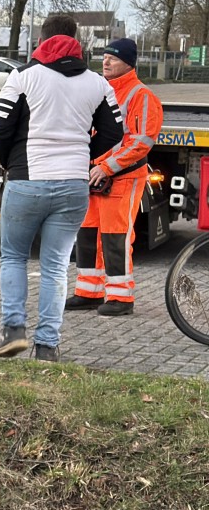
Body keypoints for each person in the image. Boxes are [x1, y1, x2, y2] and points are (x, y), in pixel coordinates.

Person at [0, 14, 123, 362]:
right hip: (73, 187)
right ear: (76, 40)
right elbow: (114, 133)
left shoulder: (22, 77)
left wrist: (9, 162)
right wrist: (84, 156)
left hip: (27, 181)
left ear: (42, 39)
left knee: (15, 257)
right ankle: (47, 345)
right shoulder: (98, 84)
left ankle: (13, 333)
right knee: (56, 266)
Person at [64, 37, 163, 315]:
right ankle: (89, 292)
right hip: (94, 176)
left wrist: (106, 167)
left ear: (128, 63)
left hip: (121, 177)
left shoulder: (140, 95)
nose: (105, 61)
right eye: (104, 56)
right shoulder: (101, 89)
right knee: (88, 234)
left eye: (113, 58)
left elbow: (141, 141)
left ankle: (121, 298)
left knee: (115, 236)